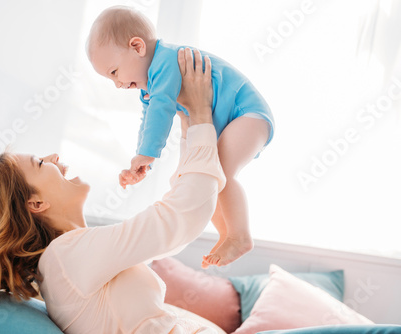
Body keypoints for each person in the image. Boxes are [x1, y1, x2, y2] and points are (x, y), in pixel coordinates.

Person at [0, 48, 227, 333]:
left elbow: (170, 230)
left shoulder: (66, 260)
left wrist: (190, 124)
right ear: (35, 203)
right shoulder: (65, 257)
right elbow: (179, 219)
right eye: (40, 162)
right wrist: (201, 115)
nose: (52, 156)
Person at [87, 5, 275, 268]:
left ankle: (240, 235)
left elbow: (161, 110)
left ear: (137, 47)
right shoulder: (151, 81)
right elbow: (150, 115)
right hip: (236, 119)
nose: (117, 84)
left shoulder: (165, 63)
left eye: (114, 72)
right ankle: (227, 234)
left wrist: (147, 153)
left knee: (219, 173)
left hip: (247, 114)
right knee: (210, 177)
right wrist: (143, 157)